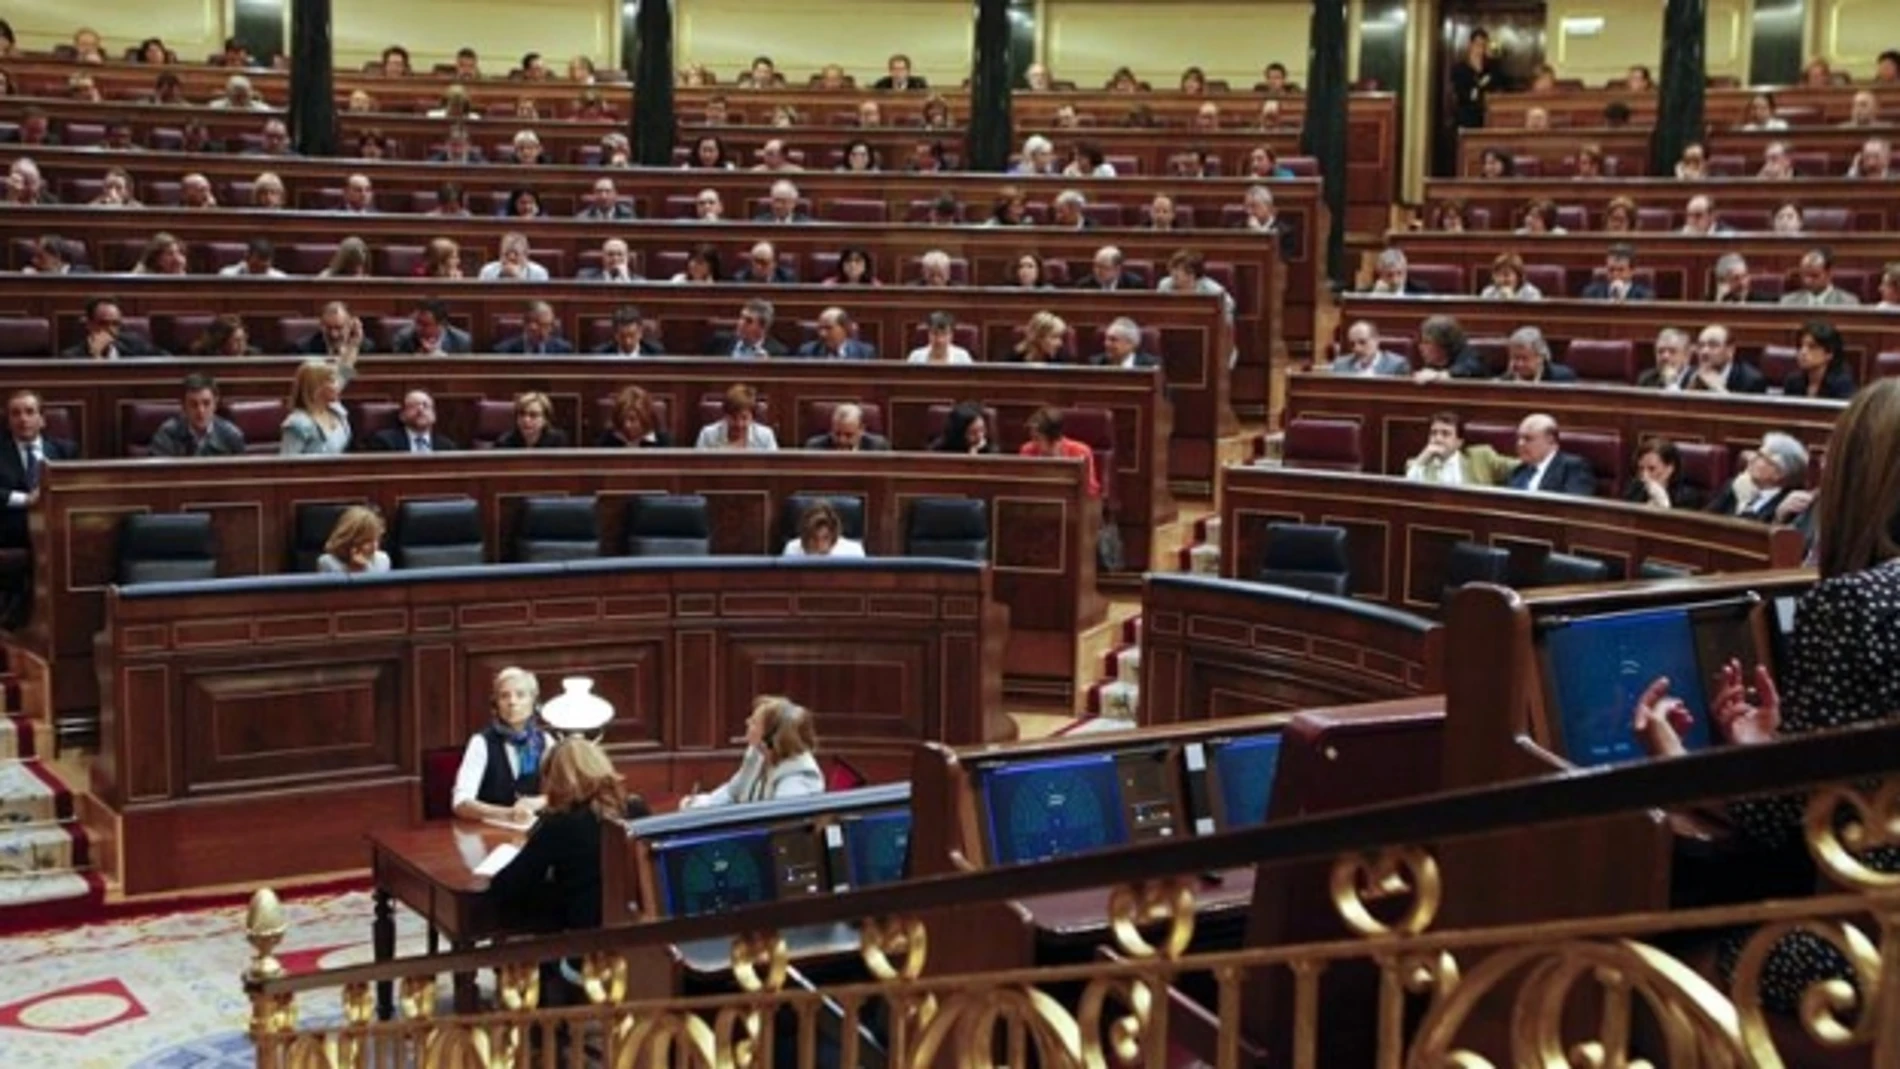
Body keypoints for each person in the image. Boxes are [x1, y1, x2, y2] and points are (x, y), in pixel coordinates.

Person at [680, 696, 823, 808]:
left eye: (754, 722)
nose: (747, 722)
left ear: (770, 737)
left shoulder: (798, 777)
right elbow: (733, 792)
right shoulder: (757, 753)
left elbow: (779, 823)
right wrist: (701, 804)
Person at [452, 667, 552, 824]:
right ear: (496, 704)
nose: (512, 702)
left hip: (533, 831)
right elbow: (460, 803)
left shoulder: (546, 741)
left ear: (534, 701)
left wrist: (539, 802)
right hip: (489, 831)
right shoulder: (481, 742)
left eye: (520, 695)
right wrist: (508, 814)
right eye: (504, 696)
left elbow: (563, 795)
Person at [279, 349, 359, 458]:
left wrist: (353, 347)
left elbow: (345, 372)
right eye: (332, 381)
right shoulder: (298, 424)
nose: (336, 386)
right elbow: (287, 463)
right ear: (317, 387)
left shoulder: (335, 410)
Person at [1404, 411, 1513, 487]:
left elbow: (1517, 467)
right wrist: (1422, 459)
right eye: (1433, 433)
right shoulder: (1419, 465)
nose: (1438, 439)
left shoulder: (1481, 457)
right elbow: (1408, 493)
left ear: (1459, 442)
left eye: (1445, 434)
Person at [148, 374, 246, 458]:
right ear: (184, 406)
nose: (200, 411)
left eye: (206, 403)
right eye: (193, 404)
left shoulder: (231, 436)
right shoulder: (167, 435)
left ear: (215, 404)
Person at [1019, 407, 1100, 499]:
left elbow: (1091, 490)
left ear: (1054, 438)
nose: (1033, 442)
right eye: (1032, 437)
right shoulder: (1027, 450)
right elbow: (1023, 487)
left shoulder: (1080, 452)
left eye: (1037, 438)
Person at [1505, 413, 1596, 496]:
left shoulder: (1573, 468)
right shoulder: (1520, 470)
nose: (1520, 444)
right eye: (1519, 438)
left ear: (1550, 439)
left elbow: (1574, 505)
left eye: (1528, 438)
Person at [61, 297, 165, 358]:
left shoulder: (134, 344)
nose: (110, 329)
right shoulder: (71, 357)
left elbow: (167, 360)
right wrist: (96, 356)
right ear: (89, 324)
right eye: (103, 323)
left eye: (115, 324)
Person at [1623, 439, 1705, 510]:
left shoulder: (1688, 498)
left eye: (1652, 469)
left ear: (1670, 469)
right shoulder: (1635, 489)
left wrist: (1663, 500)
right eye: (1641, 469)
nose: (1644, 476)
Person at [1784, 321, 1858, 399]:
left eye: (1812, 347)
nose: (1803, 352)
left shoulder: (1842, 385)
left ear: (1829, 353)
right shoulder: (1793, 382)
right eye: (1800, 346)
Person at [367, 390, 458, 453]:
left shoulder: (447, 446)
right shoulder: (385, 442)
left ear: (434, 416)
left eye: (426, 406)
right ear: (402, 416)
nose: (420, 409)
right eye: (413, 406)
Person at [1689, 324, 1769, 394]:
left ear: (1730, 350)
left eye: (1713, 345)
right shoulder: (1690, 374)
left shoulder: (1751, 381)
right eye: (1701, 345)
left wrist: (1719, 389)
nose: (1704, 351)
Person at [695, 384, 778, 451]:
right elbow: (699, 465)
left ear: (752, 416)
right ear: (725, 415)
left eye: (744, 418)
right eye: (733, 418)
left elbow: (773, 465)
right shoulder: (708, 435)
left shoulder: (766, 436)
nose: (739, 424)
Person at [1412, 315, 1487, 382]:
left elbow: (1473, 369)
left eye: (1427, 342)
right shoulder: (1432, 364)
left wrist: (1438, 376)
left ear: (1443, 343)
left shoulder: (1468, 355)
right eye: (1421, 343)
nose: (1421, 348)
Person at [316, 506, 390, 574]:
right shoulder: (327, 562)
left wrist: (365, 568)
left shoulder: (382, 559)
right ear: (349, 540)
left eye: (376, 540)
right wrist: (353, 570)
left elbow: (376, 584)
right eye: (367, 541)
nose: (374, 546)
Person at [704, 300, 787, 358]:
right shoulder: (720, 342)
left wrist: (767, 367)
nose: (741, 323)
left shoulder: (777, 353)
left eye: (748, 321)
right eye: (741, 317)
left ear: (763, 327)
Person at [782, 501, 866, 559]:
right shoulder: (792, 550)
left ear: (834, 536)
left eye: (825, 538)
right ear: (805, 537)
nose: (819, 545)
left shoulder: (853, 552)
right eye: (814, 538)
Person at [1780, 249, 1862, 307]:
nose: (1808, 281)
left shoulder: (1848, 303)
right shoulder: (1788, 302)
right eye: (1805, 275)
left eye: (1814, 275)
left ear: (1829, 274)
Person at [1450, 28, 1496, 129]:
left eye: (1483, 46)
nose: (1480, 49)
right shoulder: (1460, 69)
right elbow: (1462, 95)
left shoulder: (1490, 68)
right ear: (1470, 45)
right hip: (1466, 119)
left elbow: (1499, 88)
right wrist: (1477, 86)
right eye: (1477, 45)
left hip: (1486, 120)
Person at [1498, 326, 1578, 383]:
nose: (1519, 364)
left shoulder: (1562, 378)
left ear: (1540, 357)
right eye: (1515, 358)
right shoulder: (1504, 382)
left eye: (1524, 358)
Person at [393, 299, 474, 355]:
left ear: (441, 324)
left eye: (424, 324)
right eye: (417, 322)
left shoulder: (462, 341)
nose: (418, 328)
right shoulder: (403, 339)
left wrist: (440, 358)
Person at [598, 386, 671, 447]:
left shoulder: (663, 443)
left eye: (632, 419)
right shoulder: (606, 441)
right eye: (622, 419)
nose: (626, 425)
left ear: (644, 418)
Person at [495, 301, 574, 355]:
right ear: (528, 325)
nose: (550, 330)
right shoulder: (503, 351)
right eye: (544, 325)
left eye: (551, 325)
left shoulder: (564, 350)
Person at [1332, 321, 1411, 376]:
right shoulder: (1340, 365)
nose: (1357, 348)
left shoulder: (1397, 365)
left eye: (1362, 342)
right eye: (1352, 344)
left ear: (1376, 340)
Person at [1579, 244, 1654, 301]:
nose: (1615, 274)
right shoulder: (1591, 293)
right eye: (1611, 269)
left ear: (1632, 271)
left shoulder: (1645, 297)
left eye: (1621, 270)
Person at [495, 392, 569, 449]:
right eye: (522, 414)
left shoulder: (558, 441)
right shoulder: (504, 443)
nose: (526, 419)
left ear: (545, 419)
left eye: (533, 415)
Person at [797, 308, 876, 360]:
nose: (822, 334)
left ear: (844, 328)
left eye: (828, 328)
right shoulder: (807, 352)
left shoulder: (865, 353)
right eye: (820, 328)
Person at [803, 404, 889, 451]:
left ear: (861, 430)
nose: (842, 440)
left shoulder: (878, 447)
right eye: (837, 434)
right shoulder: (815, 447)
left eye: (849, 435)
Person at [1090, 318, 1160, 369]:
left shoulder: (1151, 366)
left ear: (1130, 344)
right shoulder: (1096, 364)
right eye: (1106, 339)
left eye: (1113, 340)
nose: (1106, 344)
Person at [594, 306, 663, 357]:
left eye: (632, 335)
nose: (627, 341)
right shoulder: (600, 354)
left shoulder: (655, 353)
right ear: (615, 334)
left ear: (640, 333)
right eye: (622, 336)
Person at [908, 311, 973, 364]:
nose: (939, 340)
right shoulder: (915, 357)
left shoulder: (962, 357)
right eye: (935, 334)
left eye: (944, 334)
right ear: (928, 333)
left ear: (951, 335)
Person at [1008, 312, 1073, 365]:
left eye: (1060, 337)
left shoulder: (1061, 361)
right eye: (1054, 337)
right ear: (1038, 337)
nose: (1060, 343)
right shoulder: (1014, 360)